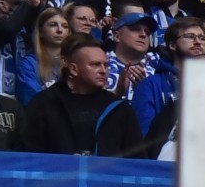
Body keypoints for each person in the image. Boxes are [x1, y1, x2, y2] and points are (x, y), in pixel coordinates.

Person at [15, 36, 145, 156]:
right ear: (73, 69)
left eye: (105, 65)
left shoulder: (119, 109)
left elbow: (137, 161)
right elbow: (27, 159)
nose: (103, 71)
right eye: (95, 64)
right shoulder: (43, 105)